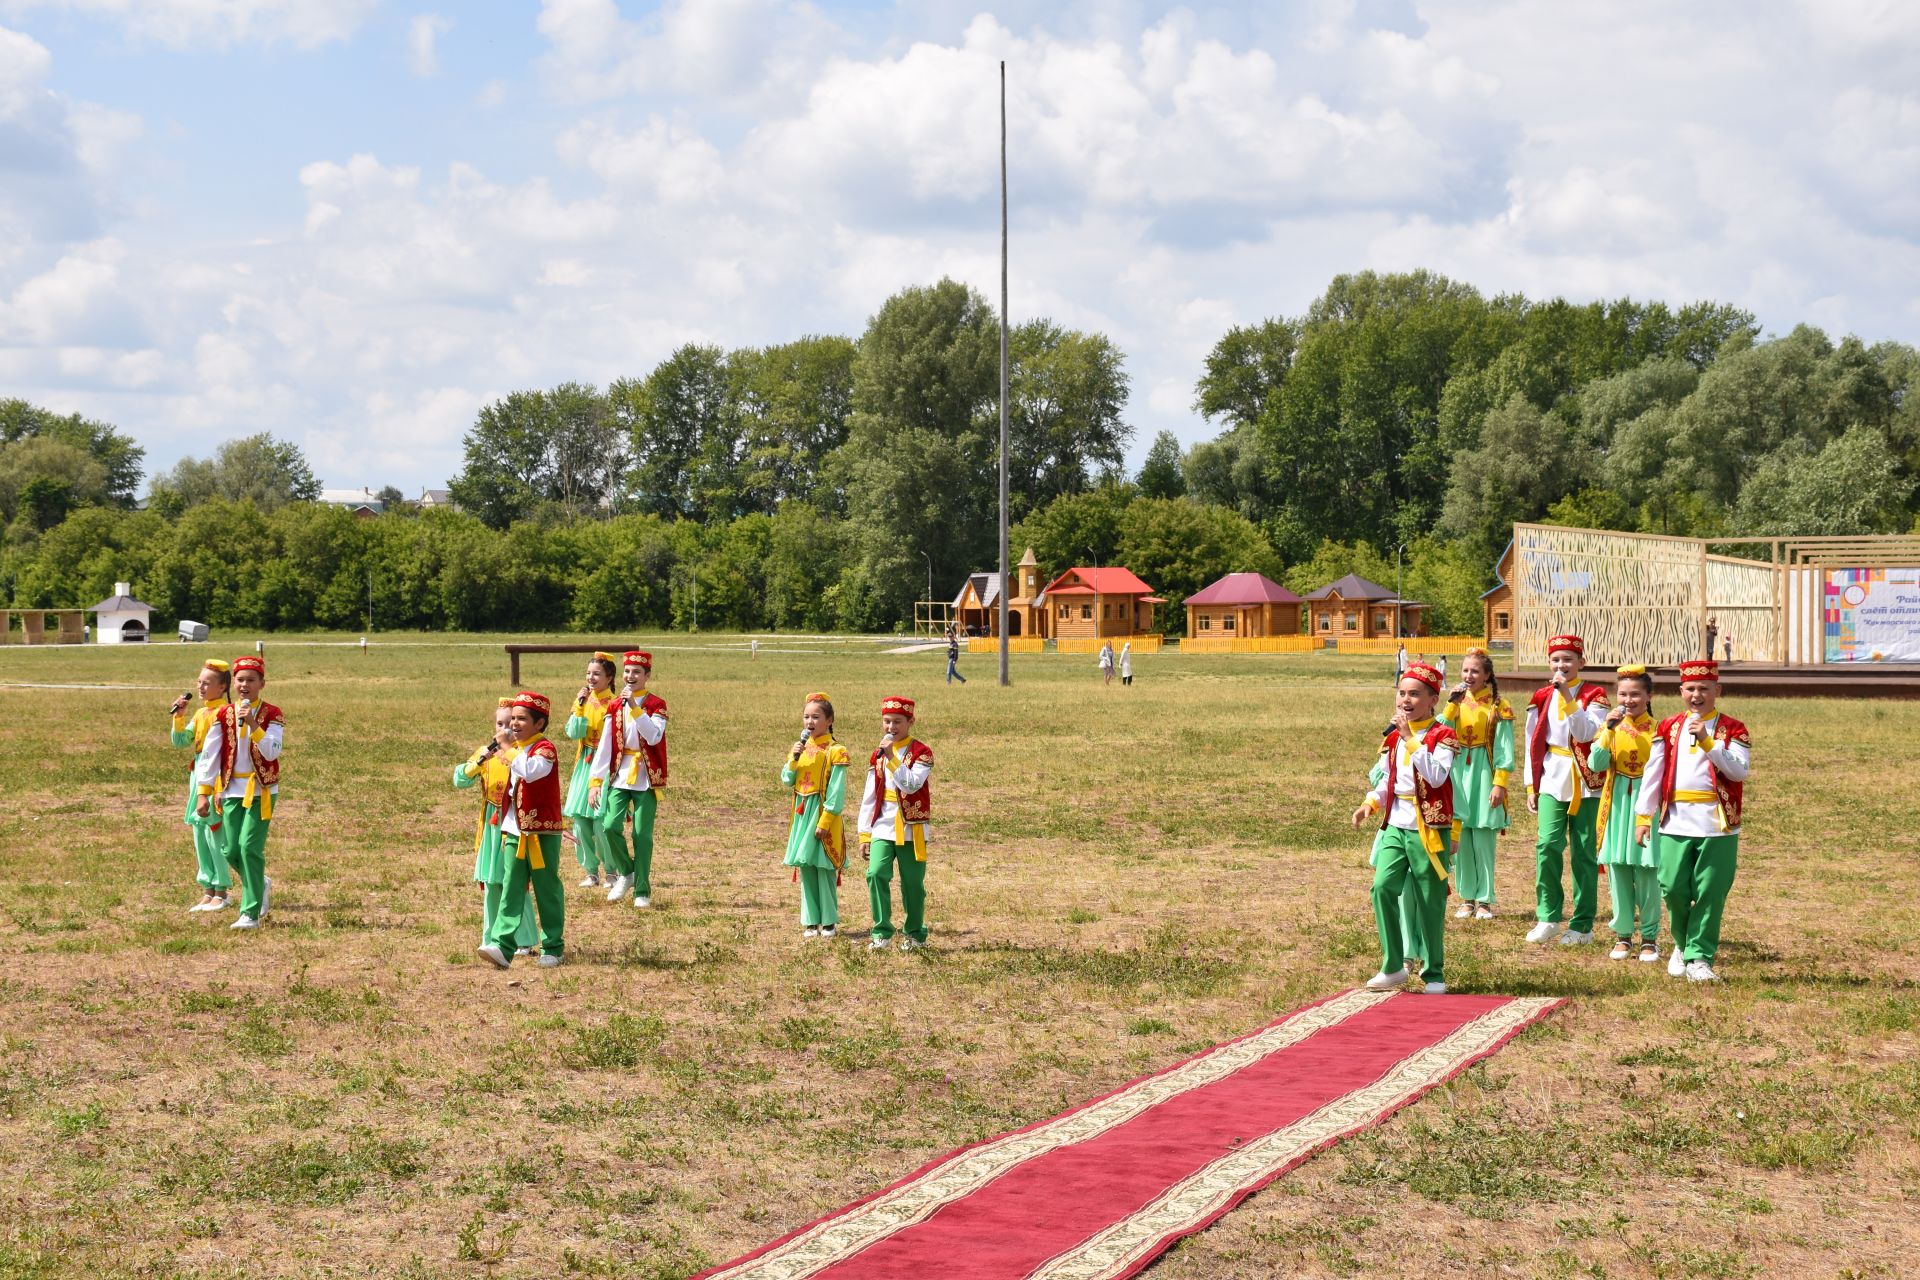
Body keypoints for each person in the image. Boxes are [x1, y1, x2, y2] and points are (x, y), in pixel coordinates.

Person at [1635, 659, 1751, 983]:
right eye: (1690, 688)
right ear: (1681, 691)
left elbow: (1739, 771)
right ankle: (1682, 943)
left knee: (1711, 890)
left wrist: (1709, 743)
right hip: (1675, 821)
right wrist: (1643, 816)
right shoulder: (1668, 727)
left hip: (1717, 822)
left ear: (1718, 690)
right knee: (1672, 886)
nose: (1697, 695)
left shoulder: (1733, 729)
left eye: (1704, 689)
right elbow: (1653, 773)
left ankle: (1699, 956)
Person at [1351, 661, 1457, 994]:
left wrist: (1412, 740)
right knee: (1382, 888)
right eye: (1401, 694)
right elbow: (1388, 780)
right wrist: (1370, 803)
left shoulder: (1443, 735)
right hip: (1396, 824)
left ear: (1432, 700)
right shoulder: (1394, 737)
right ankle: (1393, 966)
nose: (1405, 701)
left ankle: (1434, 972)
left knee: (1430, 898)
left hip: (1428, 826)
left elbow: (1437, 776)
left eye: (1414, 694)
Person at [1523, 634, 1609, 946]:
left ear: (1581, 662)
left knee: (1584, 852)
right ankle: (1547, 916)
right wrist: (1531, 784)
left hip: (1585, 782)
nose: (1562, 665)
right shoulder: (1541, 696)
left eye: (1568, 659)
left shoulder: (1595, 696)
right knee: (1547, 845)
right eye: (1556, 659)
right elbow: (1532, 741)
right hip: (1551, 776)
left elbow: (1586, 733)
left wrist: (1568, 698)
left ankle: (1582, 924)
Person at [478, 691, 566, 969]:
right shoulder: (512, 750)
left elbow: (529, 771)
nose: (513, 724)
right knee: (511, 888)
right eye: (512, 718)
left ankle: (552, 946)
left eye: (521, 719)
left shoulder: (545, 750)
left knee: (546, 888)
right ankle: (503, 946)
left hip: (542, 833)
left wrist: (507, 748)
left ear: (539, 724)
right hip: (515, 830)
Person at [454, 697, 540, 956]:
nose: (504, 729)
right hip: (491, 826)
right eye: (500, 723)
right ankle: (492, 938)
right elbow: (459, 780)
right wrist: (478, 761)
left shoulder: (524, 753)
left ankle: (523, 939)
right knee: (492, 883)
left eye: (511, 723)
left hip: (514, 822)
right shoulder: (485, 754)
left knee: (515, 882)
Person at [1592, 665, 1660, 962]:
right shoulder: (1611, 728)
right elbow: (1596, 764)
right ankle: (1622, 935)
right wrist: (1607, 730)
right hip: (1617, 801)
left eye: (1635, 694)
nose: (1628, 700)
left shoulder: (1659, 730)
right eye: (1623, 694)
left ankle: (1649, 937)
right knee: (1618, 868)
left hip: (1647, 803)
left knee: (1647, 871)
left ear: (1648, 696)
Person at [211, 654, 284, 930]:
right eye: (240, 680)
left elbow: (272, 751)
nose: (244, 685)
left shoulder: (273, 714)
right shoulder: (225, 713)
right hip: (231, 789)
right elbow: (211, 753)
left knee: (249, 847)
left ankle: (250, 913)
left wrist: (253, 724)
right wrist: (207, 790)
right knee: (230, 850)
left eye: (251, 680)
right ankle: (259, 882)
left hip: (262, 790)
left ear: (262, 684)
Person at [590, 650, 667, 908]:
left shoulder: (657, 704)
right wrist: (595, 782)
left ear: (647, 675)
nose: (630, 676)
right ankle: (627, 872)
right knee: (610, 825)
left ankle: (642, 890)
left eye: (636, 672)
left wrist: (635, 708)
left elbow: (653, 736)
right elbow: (605, 745)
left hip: (646, 777)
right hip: (620, 775)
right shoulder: (615, 705)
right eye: (627, 672)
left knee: (641, 834)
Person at [1440, 647, 1512, 921]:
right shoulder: (1456, 703)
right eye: (1465, 670)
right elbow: (1438, 730)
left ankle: (1485, 900)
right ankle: (1466, 898)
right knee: (1460, 837)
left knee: (1482, 838)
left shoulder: (1498, 706)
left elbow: (1504, 747)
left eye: (1475, 671)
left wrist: (1500, 783)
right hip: (1458, 772)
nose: (1469, 675)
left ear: (1487, 675)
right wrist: (1451, 704)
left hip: (1484, 772)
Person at [859, 696, 935, 951]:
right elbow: (870, 795)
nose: (891, 727)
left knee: (912, 883)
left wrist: (892, 758)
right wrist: (864, 833)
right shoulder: (877, 755)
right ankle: (882, 931)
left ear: (910, 722)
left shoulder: (922, 752)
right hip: (883, 825)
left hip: (912, 828)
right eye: (887, 721)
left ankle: (914, 933)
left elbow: (911, 784)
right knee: (875, 874)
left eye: (897, 722)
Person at [782, 693, 851, 939]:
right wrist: (793, 758)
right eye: (806, 716)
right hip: (801, 814)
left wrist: (825, 821)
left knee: (824, 867)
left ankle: (829, 921)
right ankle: (811, 921)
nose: (810, 721)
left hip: (822, 813)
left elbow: (836, 792)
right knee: (806, 866)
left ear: (829, 720)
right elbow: (787, 779)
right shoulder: (800, 748)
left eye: (816, 716)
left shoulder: (836, 751)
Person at [170, 661, 233, 912]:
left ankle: (222, 889)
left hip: (215, 777)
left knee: (214, 833)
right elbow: (180, 741)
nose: (201, 686)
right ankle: (207, 888)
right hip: (197, 776)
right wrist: (179, 717)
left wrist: (217, 788)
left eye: (207, 683)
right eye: (199, 682)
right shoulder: (199, 714)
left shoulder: (226, 712)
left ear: (223, 686)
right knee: (199, 832)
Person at [562, 652, 619, 893]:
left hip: (603, 765)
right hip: (584, 765)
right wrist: (579, 705)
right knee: (581, 823)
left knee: (601, 823)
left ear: (609, 677)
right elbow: (573, 733)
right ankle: (591, 872)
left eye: (596, 673)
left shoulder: (615, 704)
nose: (591, 678)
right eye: (588, 673)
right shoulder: (582, 702)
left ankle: (613, 871)